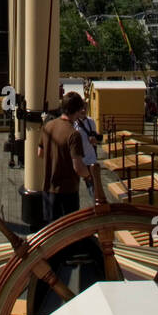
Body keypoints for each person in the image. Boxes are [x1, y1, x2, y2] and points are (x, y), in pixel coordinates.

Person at [37, 93, 88, 224]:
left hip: (48, 190)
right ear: (77, 111)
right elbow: (78, 167)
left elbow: (40, 153)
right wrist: (90, 175)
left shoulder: (48, 126)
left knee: (51, 233)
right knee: (67, 234)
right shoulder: (73, 134)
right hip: (67, 193)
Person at [72, 102, 102, 194]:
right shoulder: (73, 123)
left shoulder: (91, 121)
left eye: (85, 108)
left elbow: (94, 137)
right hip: (77, 160)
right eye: (81, 108)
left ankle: (94, 205)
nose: (84, 110)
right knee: (73, 188)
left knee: (93, 188)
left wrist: (95, 140)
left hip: (90, 159)